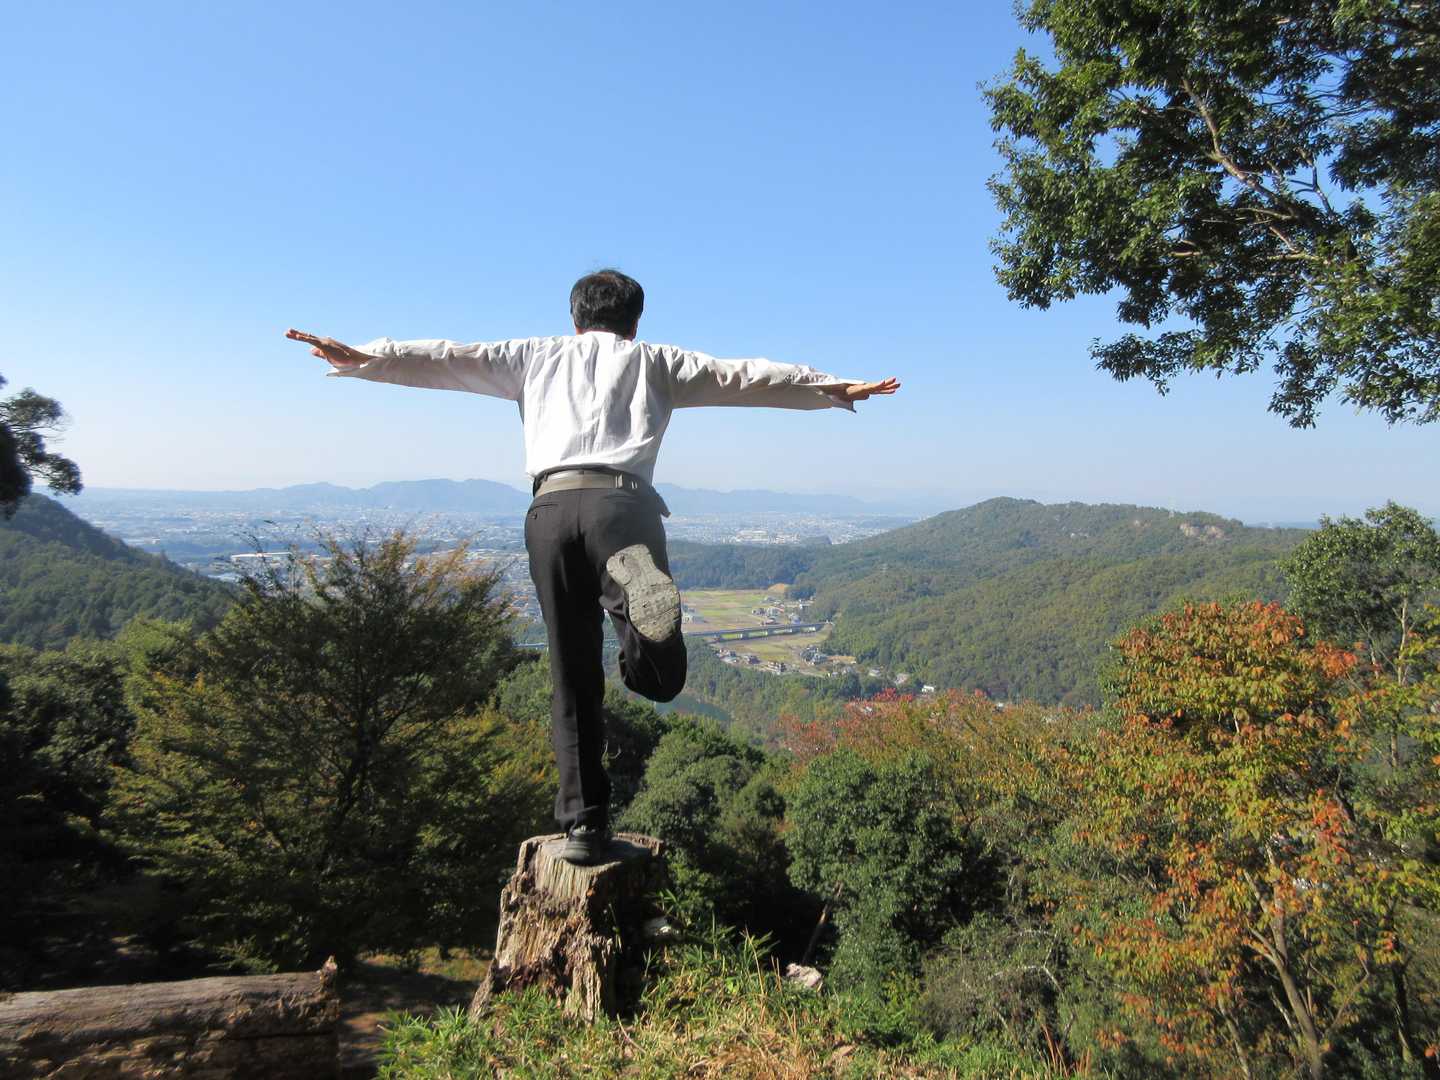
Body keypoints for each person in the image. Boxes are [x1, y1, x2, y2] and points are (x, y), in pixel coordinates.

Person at [287, 269, 899, 864]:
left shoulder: (532, 356)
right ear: (635, 321)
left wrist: (366, 357)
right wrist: (830, 387)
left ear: (575, 318)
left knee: (572, 672)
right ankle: (645, 650)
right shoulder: (657, 361)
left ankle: (582, 824)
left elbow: (448, 358)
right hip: (624, 509)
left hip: (551, 509)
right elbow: (744, 376)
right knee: (660, 678)